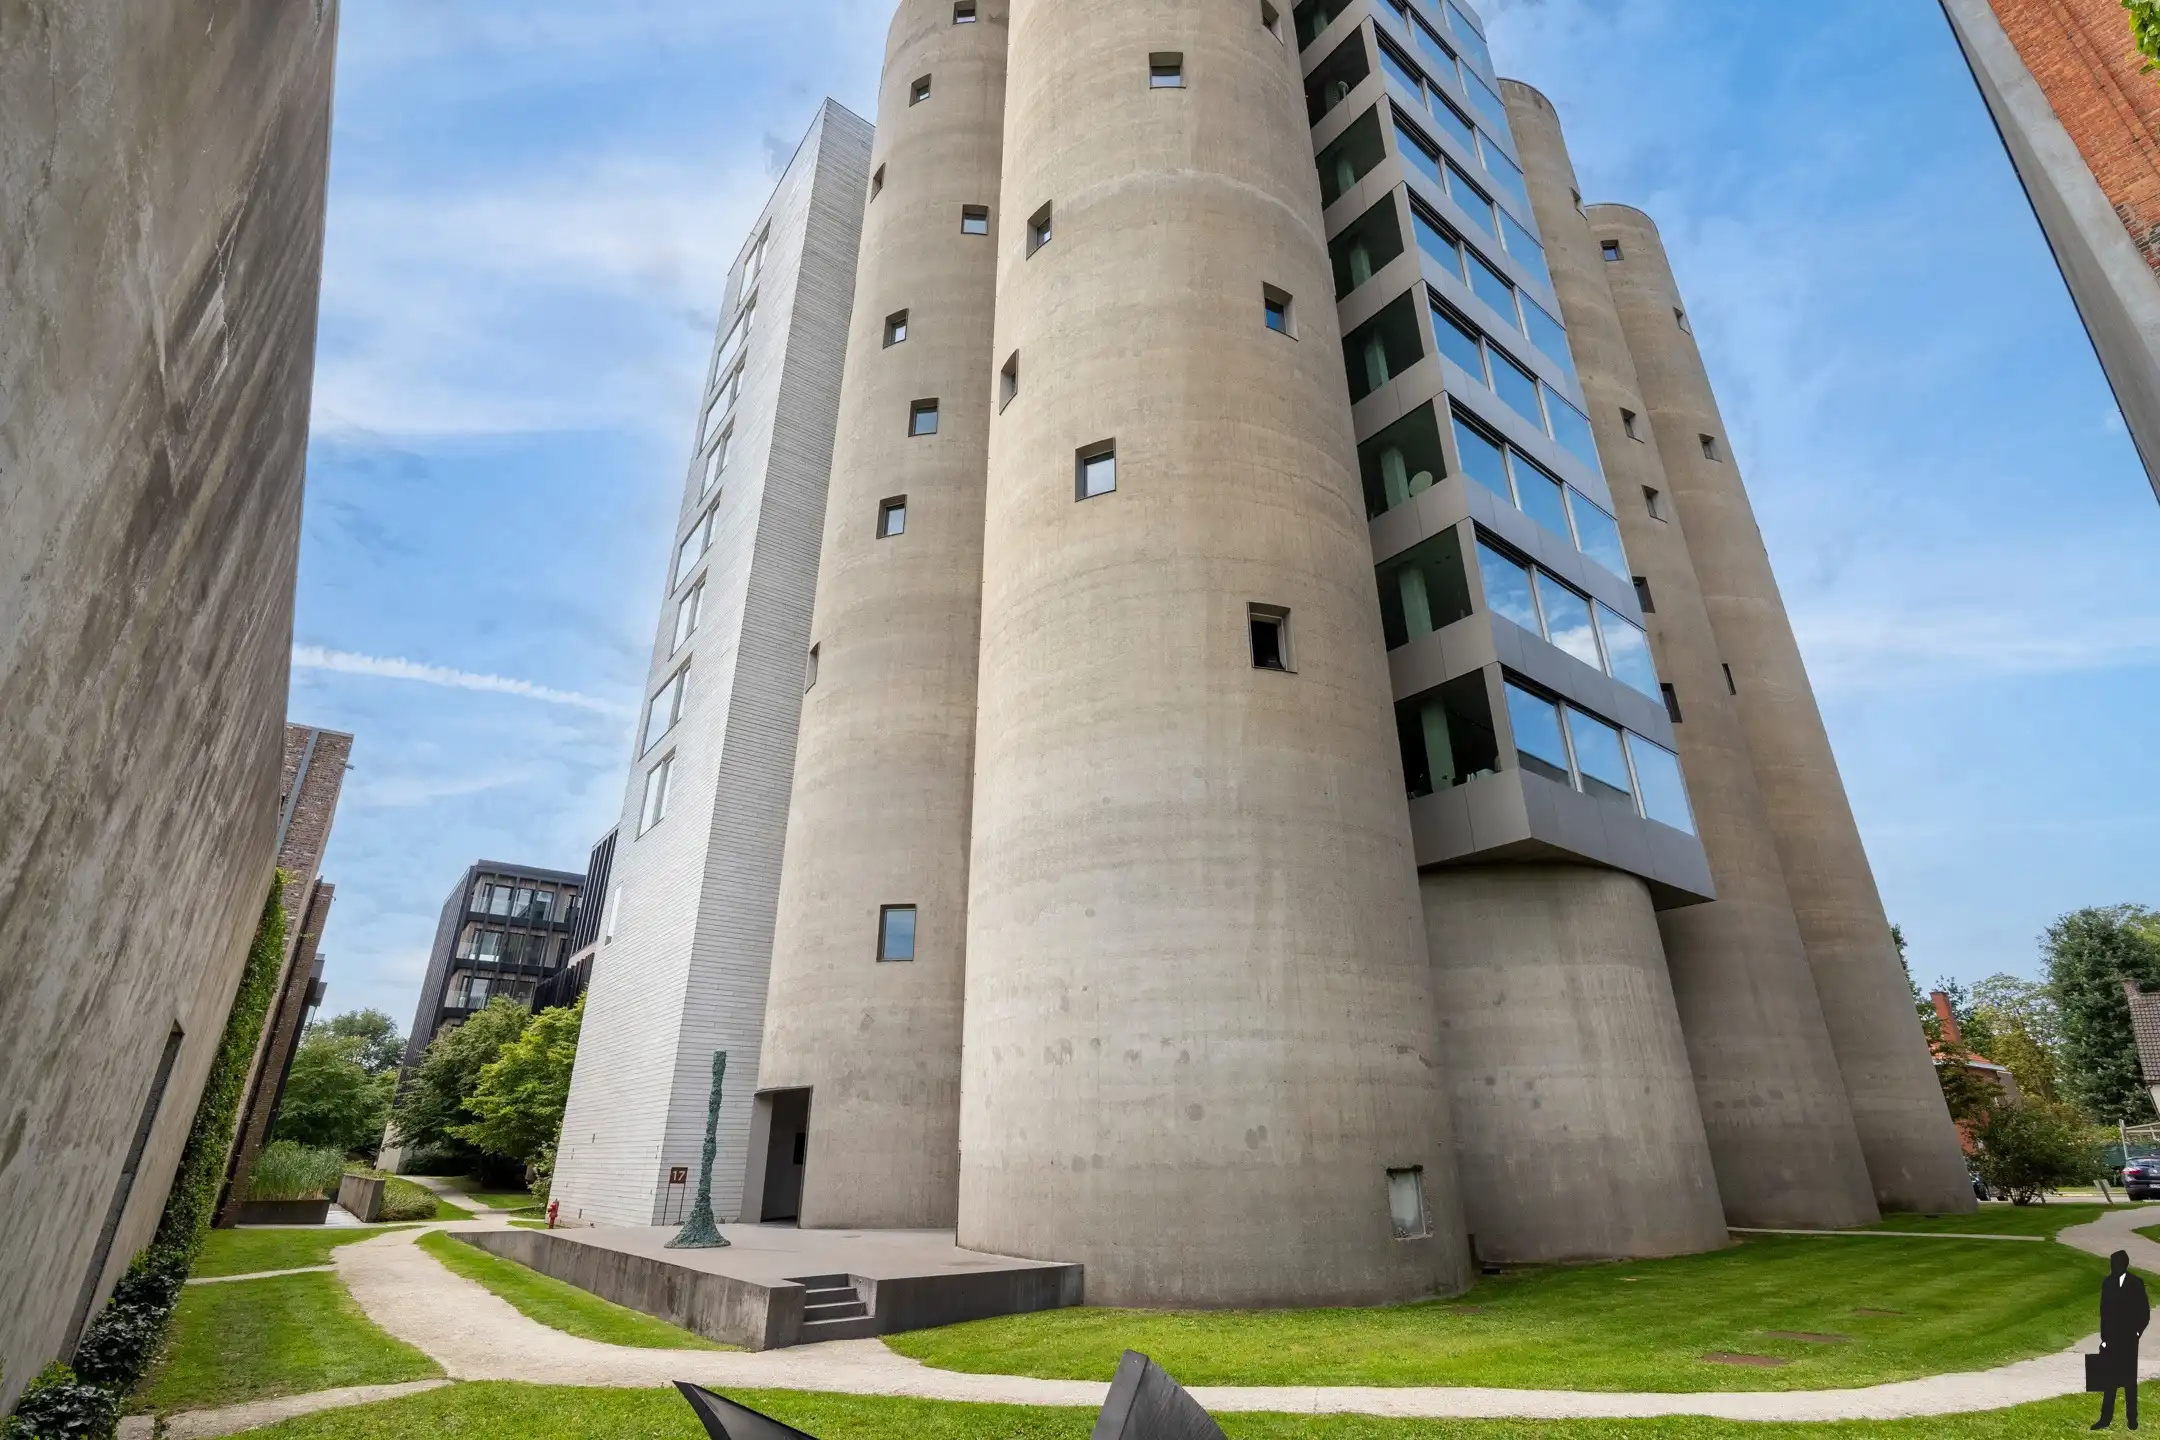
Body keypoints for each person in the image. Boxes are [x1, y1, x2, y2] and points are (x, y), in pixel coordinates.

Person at [2096, 1249, 2150, 1431]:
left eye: (2115, 1264)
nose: (2113, 1267)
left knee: (2129, 1381)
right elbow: (2104, 1313)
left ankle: (2132, 1420)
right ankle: (2105, 1419)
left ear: (2123, 1265)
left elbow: (2144, 1312)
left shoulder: (2136, 1284)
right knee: (2109, 1381)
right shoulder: (2107, 1283)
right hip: (2111, 1339)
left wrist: (2136, 1333)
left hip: (2128, 1339)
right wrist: (2104, 1338)